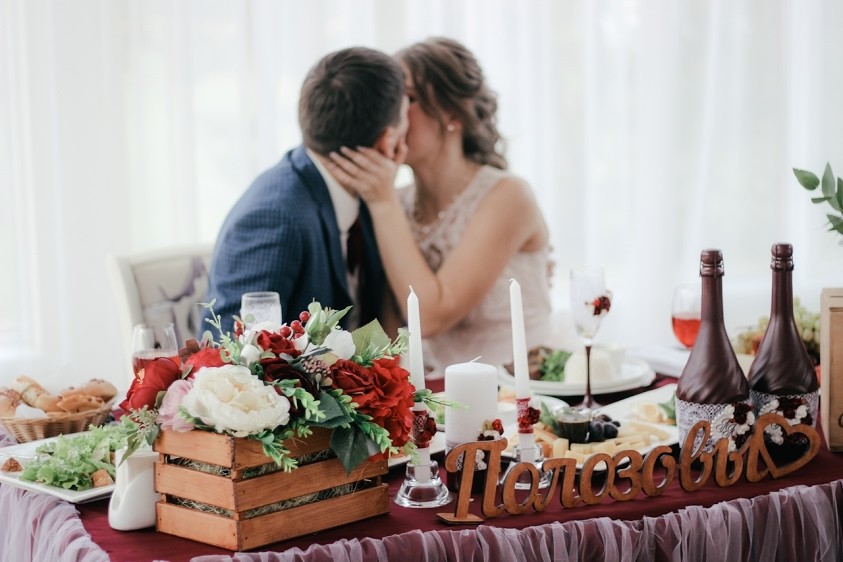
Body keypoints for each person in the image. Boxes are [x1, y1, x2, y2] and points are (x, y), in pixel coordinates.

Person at [326, 37, 552, 371]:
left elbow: (430, 317)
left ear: (453, 113)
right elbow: (387, 336)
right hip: (434, 394)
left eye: (408, 98)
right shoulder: (395, 201)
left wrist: (381, 201)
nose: (391, 114)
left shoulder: (509, 196)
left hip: (514, 388)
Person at [202, 47, 408, 335]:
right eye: (406, 115)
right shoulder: (273, 218)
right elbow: (229, 351)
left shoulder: (370, 194)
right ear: (388, 140)